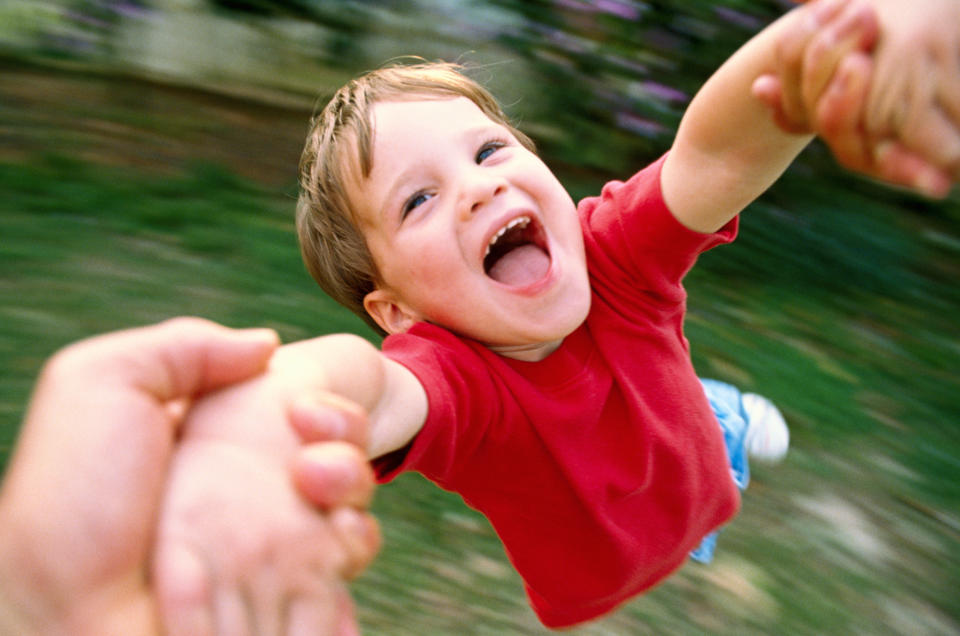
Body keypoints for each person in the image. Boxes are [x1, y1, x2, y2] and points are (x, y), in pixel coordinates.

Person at [153, 0, 960, 630]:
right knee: (669, 483)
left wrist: (808, 59)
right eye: (421, 198)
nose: (478, 187)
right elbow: (358, 384)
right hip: (611, 564)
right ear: (395, 309)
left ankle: (718, 425)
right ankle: (710, 420)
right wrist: (265, 418)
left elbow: (713, 154)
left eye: (489, 151)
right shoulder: (454, 382)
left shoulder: (612, 256)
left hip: (694, 486)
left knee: (695, 482)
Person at [0, 318, 379, 636]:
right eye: (415, 221)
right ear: (392, 311)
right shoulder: (434, 355)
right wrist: (250, 420)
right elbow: (376, 369)